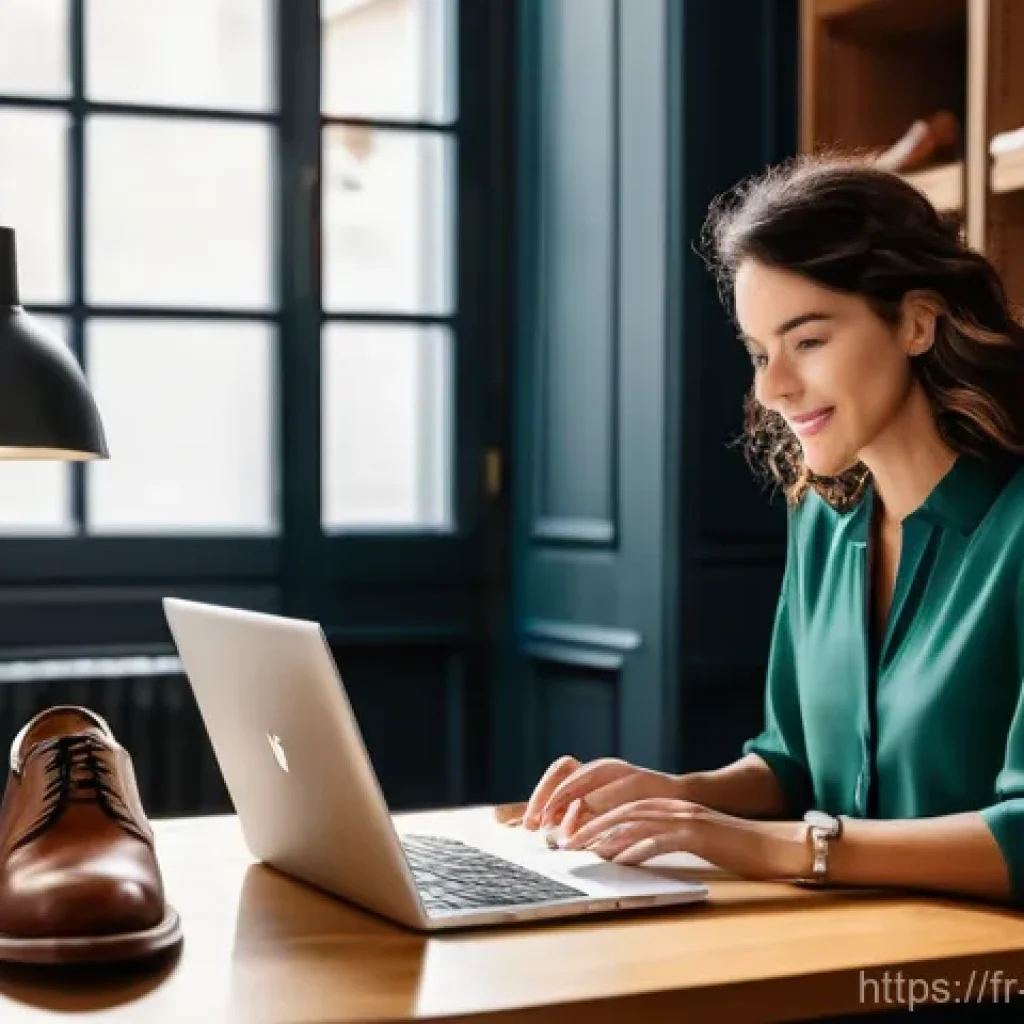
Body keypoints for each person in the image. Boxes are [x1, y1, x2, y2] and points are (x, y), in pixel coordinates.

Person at [518, 154, 1024, 907]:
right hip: (827, 954)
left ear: (917, 321)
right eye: (760, 352)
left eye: (808, 341)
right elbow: (790, 765)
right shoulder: (822, 521)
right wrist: (674, 797)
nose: (772, 387)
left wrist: (764, 844)